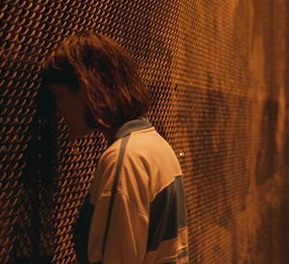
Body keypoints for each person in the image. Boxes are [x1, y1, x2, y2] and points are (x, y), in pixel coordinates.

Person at [42, 30, 189, 264]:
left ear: (83, 88)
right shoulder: (157, 145)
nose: (58, 110)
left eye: (59, 96)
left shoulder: (125, 159)